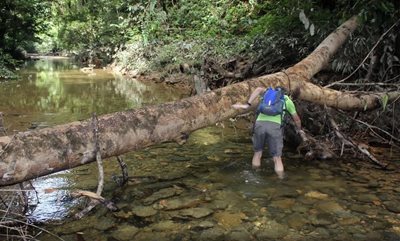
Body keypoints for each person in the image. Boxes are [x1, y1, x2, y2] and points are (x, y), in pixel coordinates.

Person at [232, 86, 305, 178]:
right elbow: (297, 119)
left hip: (260, 125)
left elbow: (258, 89)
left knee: (257, 153)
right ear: (285, 93)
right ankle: (280, 179)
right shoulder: (287, 100)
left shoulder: (267, 94)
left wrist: (247, 104)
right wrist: (299, 130)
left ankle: (255, 175)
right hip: (274, 127)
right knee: (277, 158)